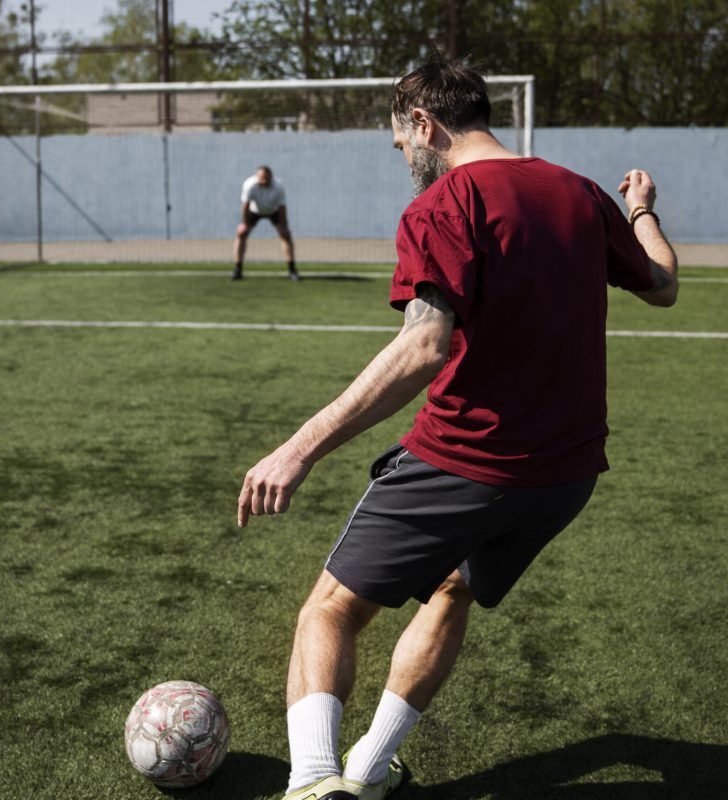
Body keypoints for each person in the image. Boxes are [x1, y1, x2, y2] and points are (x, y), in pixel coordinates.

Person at [237, 58, 678, 800]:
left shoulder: (447, 202)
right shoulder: (580, 194)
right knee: (450, 591)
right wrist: (641, 210)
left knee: (330, 609)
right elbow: (664, 286)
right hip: (565, 476)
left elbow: (422, 346)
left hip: (465, 461)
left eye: (400, 142)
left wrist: (297, 448)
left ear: (424, 123)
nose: (403, 159)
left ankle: (313, 783)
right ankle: (371, 776)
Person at [232, 165, 299, 281]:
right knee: (241, 234)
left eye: (266, 178)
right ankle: (238, 269)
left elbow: (282, 207)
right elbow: (245, 205)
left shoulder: (278, 186)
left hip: (273, 211)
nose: (263, 181)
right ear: (257, 177)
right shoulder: (249, 185)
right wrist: (244, 223)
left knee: (285, 235)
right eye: (261, 178)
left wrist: (284, 225)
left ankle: (292, 270)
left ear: (271, 177)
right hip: (255, 211)